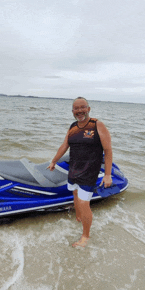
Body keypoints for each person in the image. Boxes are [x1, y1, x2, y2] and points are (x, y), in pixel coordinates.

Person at [48, 97, 112, 248]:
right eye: (76, 108)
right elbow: (65, 145)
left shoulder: (97, 125)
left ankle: (85, 236)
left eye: (82, 107)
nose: (79, 111)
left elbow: (108, 150)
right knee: (75, 194)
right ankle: (79, 217)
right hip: (74, 169)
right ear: (72, 111)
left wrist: (108, 174)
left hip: (89, 172)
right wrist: (53, 161)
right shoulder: (73, 126)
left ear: (88, 108)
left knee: (84, 203)